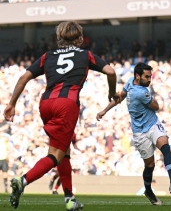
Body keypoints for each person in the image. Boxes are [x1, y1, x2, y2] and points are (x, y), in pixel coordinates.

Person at [3, 21, 119, 210]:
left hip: (46, 103)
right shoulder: (85, 54)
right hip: (67, 105)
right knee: (55, 155)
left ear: (58, 39)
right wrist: (111, 93)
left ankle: (69, 198)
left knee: (64, 152)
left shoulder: (47, 56)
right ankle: (22, 181)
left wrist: (12, 104)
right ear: (80, 39)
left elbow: (24, 77)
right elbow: (111, 72)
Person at [96, 62, 171, 206]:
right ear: (137, 76)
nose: (149, 79)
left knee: (165, 147)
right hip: (139, 132)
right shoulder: (140, 91)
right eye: (146, 77)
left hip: (153, 124)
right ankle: (148, 190)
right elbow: (155, 105)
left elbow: (121, 97)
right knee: (150, 165)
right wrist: (104, 110)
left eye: (150, 76)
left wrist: (104, 110)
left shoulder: (136, 87)